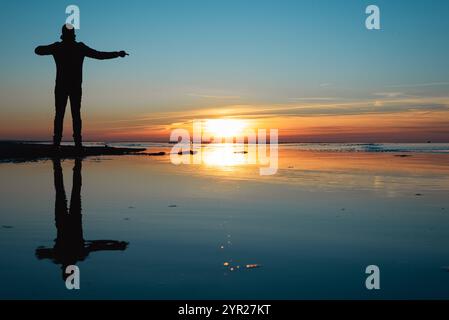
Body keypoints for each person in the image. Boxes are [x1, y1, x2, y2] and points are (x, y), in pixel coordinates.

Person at [35, 24, 128, 148]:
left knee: (62, 114)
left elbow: (38, 50)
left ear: (63, 34)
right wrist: (117, 54)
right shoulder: (78, 47)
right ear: (73, 34)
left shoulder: (60, 47)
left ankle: (59, 143)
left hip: (64, 86)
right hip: (73, 86)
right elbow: (99, 55)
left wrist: (53, 46)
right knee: (73, 114)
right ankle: (75, 143)